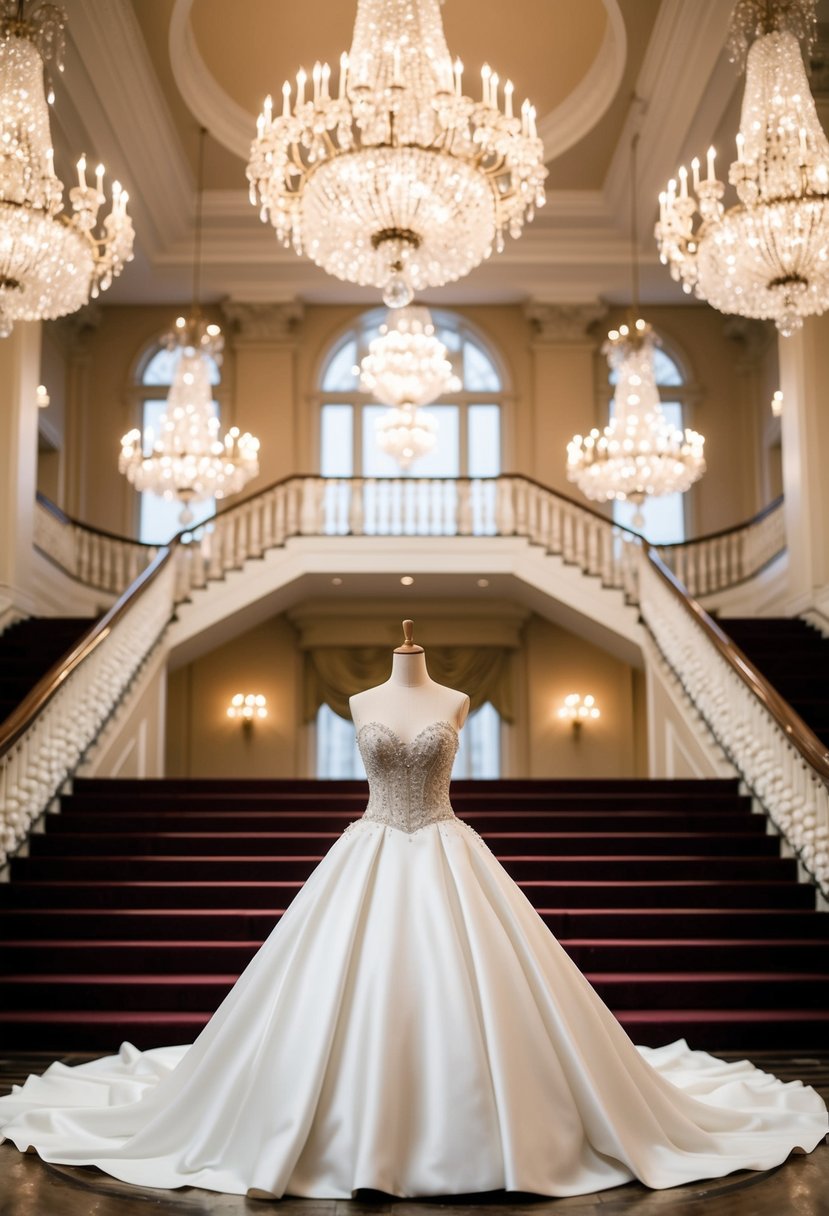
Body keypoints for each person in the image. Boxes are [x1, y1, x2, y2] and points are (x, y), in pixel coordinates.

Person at [0, 621, 826, 1199]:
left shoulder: (458, 696)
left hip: (443, 846)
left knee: (478, 994)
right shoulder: (361, 701)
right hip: (365, 849)